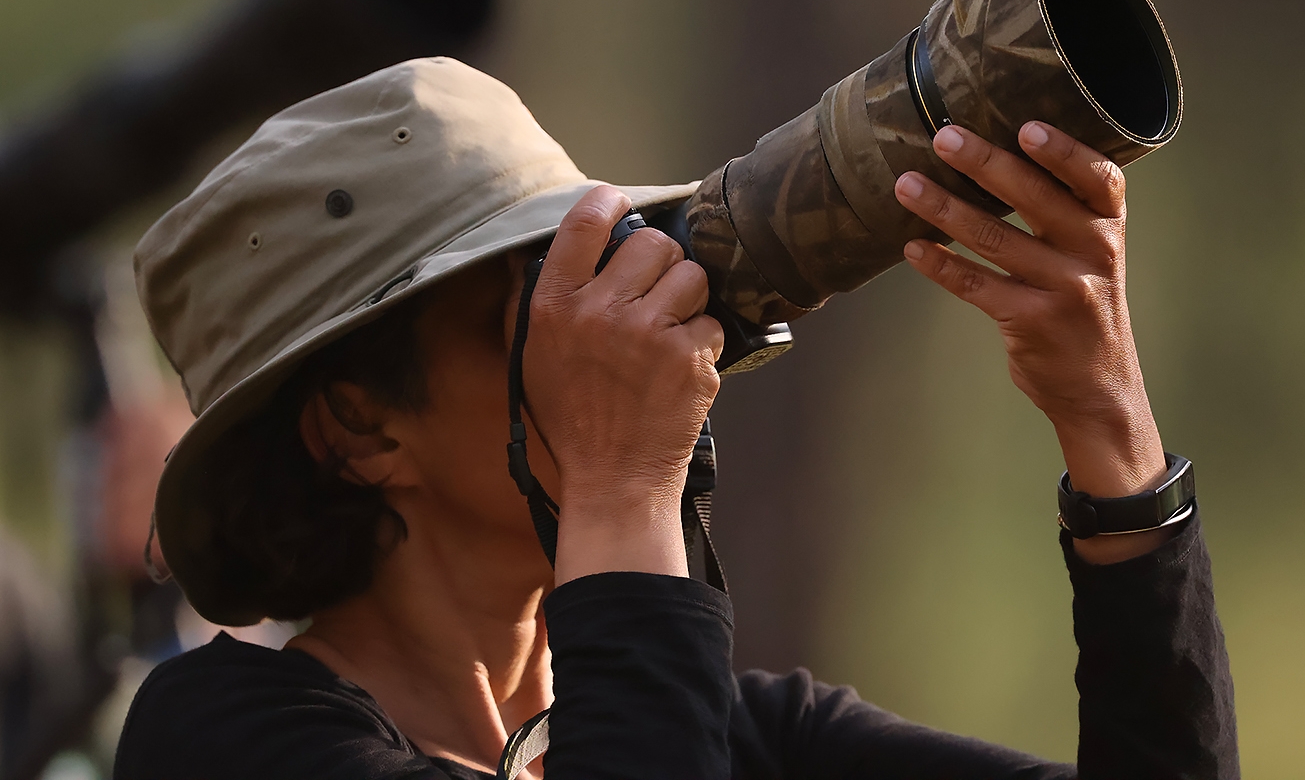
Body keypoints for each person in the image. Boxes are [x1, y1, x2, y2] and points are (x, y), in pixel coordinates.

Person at [114, 57, 1236, 779]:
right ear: (359, 428)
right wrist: (619, 485)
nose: (607, 335)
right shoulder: (221, 738)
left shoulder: (742, 738)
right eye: (535, 311)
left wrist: (1108, 430)